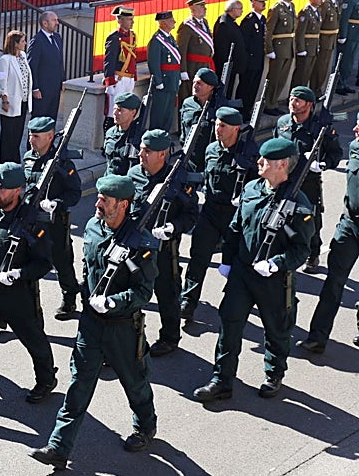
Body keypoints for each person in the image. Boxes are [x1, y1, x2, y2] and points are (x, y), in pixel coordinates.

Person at [29, 175, 159, 470]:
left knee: (134, 382)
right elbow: (88, 267)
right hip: (91, 323)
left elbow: (143, 291)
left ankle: (145, 425)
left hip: (122, 327)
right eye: (98, 197)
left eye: (105, 200)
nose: (97, 204)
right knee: (78, 385)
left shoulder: (141, 243)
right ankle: (59, 447)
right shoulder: (92, 228)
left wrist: (114, 302)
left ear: (123, 205)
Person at [192, 138, 314, 403]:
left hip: (272, 279)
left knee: (276, 329)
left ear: (282, 165)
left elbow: (301, 249)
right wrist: (226, 260)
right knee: (230, 324)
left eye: (266, 160)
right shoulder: (251, 189)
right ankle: (221, 380)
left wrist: (276, 263)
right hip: (242, 273)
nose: (259, 162)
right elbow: (235, 228)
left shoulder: (299, 205)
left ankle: (274, 373)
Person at [0, 163, 56, 400]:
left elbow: (44, 263)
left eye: (2, 188)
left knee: (33, 340)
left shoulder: (32, 223)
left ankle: (46, 380)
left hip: (18, 295)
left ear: (18, 191)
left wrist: (19, 274)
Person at [180, 108, 260, 323]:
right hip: (210, 212)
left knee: (235, 261)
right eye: (216, 124)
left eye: (223, 126)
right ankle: (188, 299)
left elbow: (259, 187)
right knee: (198, 256)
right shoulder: (211, 149)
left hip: (235, 215)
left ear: (236, 129)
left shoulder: (249, 154)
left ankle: (232, 300)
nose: (218, 129)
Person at [128, 129, 199, 357]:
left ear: (162, 154)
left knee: (167, 294)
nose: (141, 155)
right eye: (141, 149)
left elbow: (191, 215)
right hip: (136, 247)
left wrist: (173, 228)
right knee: (131, 294)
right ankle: (131, 340)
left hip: (163, 249)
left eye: (147, 151)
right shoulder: (133, 174)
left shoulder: (179, 181)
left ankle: (170, 337)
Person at [299, 114, 359, 354]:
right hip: (350, 225)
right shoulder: (354, 147)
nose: (354, 128)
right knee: (334, 282)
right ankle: (317, 336)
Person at [276, 86, 343, 271]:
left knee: (309, 220)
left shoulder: (321, 128)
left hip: (308, 183)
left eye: (298, 100)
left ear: (309, 105)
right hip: (283, 179)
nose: (292, 103)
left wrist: (322, 165)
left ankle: (313, 255)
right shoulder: (282, 123)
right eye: (291, 99)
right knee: (280, 217)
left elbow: (336, 153)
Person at [23, 116, 84, 318]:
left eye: (36, 136)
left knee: (61, 261)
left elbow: (75, 193)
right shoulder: (28, 158)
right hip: (32, 221)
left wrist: (56, 203)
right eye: (31, 135)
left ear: (50, 137)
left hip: (54, 222)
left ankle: (69, 298)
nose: (32, 140)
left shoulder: (63, 163)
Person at [0, 30, 32, 164]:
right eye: (22, 41)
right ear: (15, 44)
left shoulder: (23, 56)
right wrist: (5, 100)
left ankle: (15, 160)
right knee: (8, 134)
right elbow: (2, 81)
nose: (25, 44)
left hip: (23, 100)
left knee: (18, 132)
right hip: (10, 101)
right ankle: (6, 161)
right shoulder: (5, 59)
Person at [179, 67, 228, 172]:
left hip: (210, 158)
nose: (195, 86)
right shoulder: (187, 103)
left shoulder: (220, 107)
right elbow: (183, 129)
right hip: (189, 158)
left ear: (210, 87)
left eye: (199, 84)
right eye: (194, 82)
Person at [264, 0, 299, 116]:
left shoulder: (291, 7)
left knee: (282, 78)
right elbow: (269, 31)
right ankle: (268, 103)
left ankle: (274, 101)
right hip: (278, 48)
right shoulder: (276, 9)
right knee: (274, 77)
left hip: (288, 47)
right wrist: (269, 49)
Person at [146, 11, 182, 134]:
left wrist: (178, 77)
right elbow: (154, 63)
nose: (174, 22)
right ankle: (155, 137)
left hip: (172, 80)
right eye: (171, 20)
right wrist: (158, 81)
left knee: (168, 112)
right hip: (164, 82)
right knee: (159, 112)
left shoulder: (170, 38)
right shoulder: (156, 40)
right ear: (164, 23)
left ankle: (164, 136)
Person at [103, 6, 139, 125]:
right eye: (129, 19)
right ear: (120, 20)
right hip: (118, 80)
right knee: (113, 113)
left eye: (132, 19)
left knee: (127, 111)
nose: (132, 22)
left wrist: (134, 76)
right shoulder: (114, 38)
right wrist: (110, 82)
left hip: (128, 78)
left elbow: (133, 58)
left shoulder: (132, 36)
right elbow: (109, 61)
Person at [27, 11, 65, 120]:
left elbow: (59, 61)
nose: (57, 23)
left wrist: (62, 80)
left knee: (51, 119)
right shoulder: (37, 41)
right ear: (45, 23)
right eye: (54, 20)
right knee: (39, 120)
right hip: (42, 90)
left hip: (55, 88)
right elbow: (32, 65)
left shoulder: (57, 38)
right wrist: (35, 88)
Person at [178, 0, 215, 102]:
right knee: (190, 95)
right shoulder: (186, 26)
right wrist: (183, 70)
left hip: (205, 64)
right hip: (192, 67)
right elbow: (182, 50)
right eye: (202, 6)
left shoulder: (205, 23)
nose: (205, 8)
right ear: (193, 9)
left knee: (204, 94)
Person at [237, 0, 268, 117]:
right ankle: (242, 110)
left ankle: (248, 109)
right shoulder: (248, 21)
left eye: (263, 2)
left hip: (259, 59)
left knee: (254, 86)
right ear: (253, 3)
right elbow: (245, 43)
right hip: (250, 60)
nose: (263, 4)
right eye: (260, 2)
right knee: (246, 85)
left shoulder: (262, 19)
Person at [212, 0, 248, 100]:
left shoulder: (231, 22)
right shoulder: (224, 23)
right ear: (233, 10)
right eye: (240, 8)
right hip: (225, 66)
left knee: (228, 91)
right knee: (223, 91)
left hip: (232, 65)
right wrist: (227, 64)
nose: (242, 11)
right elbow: (222, 48)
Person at [103, 92, 144, 176]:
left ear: (133, 112)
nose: (114, 113)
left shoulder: (140, 137)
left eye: (120, 110)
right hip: (109, 181)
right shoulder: (110, 133)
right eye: (114, 109)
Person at [292, 0, 324, 92]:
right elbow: (300, 33)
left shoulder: (317, 11)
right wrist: (301, 49)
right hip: (306, 47)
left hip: (313, 47)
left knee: (307, 74)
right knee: (301, 75)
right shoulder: (305, 12)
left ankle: (303, 96)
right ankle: (296, 95)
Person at [313, 0, 343, 95]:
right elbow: (319, 23)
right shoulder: (325, 4)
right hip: (324, 39)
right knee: (320, 66)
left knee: (325, 66)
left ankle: (319, 89)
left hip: (331, 39)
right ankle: (315, 89)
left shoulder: (333, 3)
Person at [339, 0, 359, 94]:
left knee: (350, 60)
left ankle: (344, 82)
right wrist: (343, 35)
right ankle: (339, 84)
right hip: (350, 33)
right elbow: (345, 18)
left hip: (355, 33)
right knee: (345, 60)